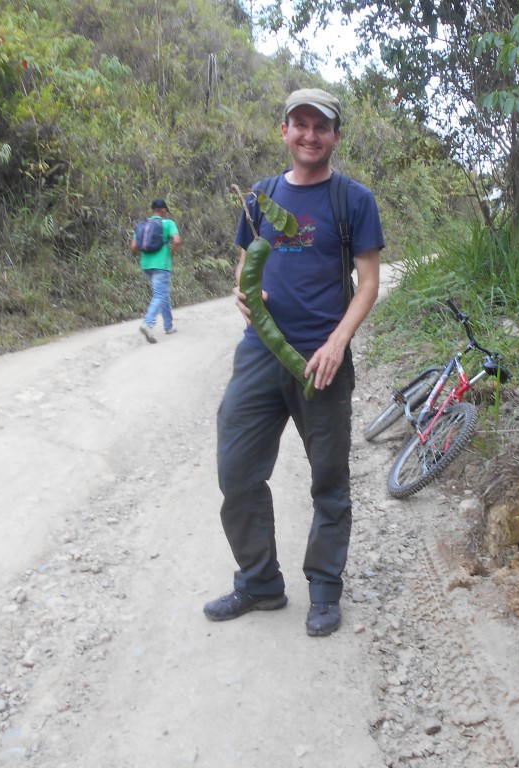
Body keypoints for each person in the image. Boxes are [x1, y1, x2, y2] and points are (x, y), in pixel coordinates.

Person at [204, 88, 384, 637]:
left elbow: (369, 282)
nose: (309, 135)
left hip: (321, 362)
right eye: (299, 124)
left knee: (329, 480)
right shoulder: (260, 196)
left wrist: (338, 341)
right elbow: (245, 265)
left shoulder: (353, 199)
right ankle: (260, 582)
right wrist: (243, 293)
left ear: (335, 137)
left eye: (320, 126)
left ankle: (325, 588)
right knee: (236, 472)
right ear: (283, 130)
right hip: (261, 353)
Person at [130, 198, 182, 343]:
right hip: (162, 264)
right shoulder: (168, 223)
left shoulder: (142, 225)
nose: (166, 215)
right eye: (166, 212)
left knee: (162, 293)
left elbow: (134, 246)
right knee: (160, 294)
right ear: (163, 210)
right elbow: (177, 241)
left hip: (146, 265)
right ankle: (148, 323)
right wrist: (171, 253)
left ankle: (168, 326)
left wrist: (144, 255)